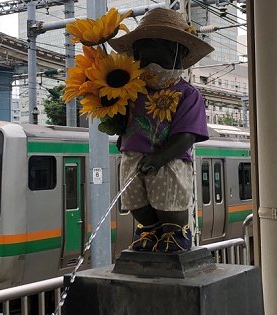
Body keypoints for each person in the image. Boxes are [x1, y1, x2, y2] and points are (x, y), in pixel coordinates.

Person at [109, 8, 213, 253]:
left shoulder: (187, 94)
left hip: (169, 158)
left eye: (158, 52)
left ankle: (175, 232)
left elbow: (186, 135)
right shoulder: (131, 90)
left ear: (179, 53)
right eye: (143, 54)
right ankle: (149, 229)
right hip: (133, 156)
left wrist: (160, 157)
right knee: (134, 198)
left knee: (168, 197)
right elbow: (120, 120)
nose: (149, 61)